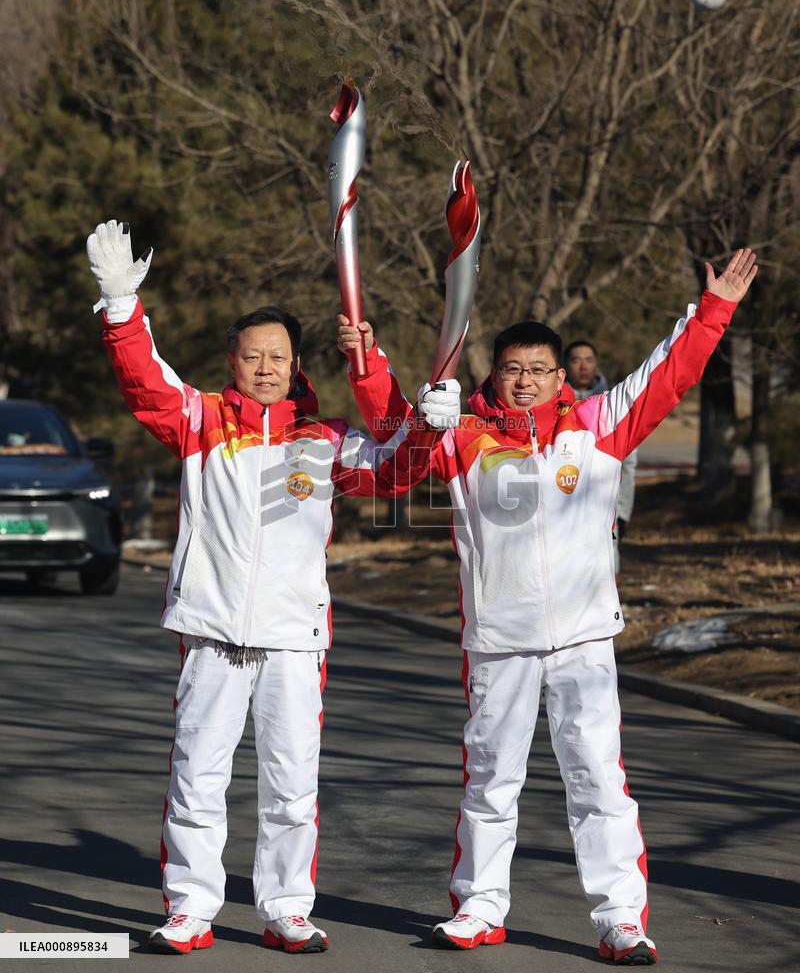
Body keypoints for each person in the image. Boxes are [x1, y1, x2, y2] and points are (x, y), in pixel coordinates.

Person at [342, 249, 758, 965]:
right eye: (513, 369)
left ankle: (619, 918)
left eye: (539, 370)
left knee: (597, 779)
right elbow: (394, 449)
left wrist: (712, 309)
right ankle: (479, 907)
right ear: (493, 376)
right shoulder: (463, 437)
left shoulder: (597, 426)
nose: (526, 381)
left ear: (561, 377)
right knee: (491, 779)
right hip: (499, 640)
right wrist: (373, 367)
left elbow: (670, 375)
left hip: (583, 642)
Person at [86, 220, 461, 956]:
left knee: (291, 785)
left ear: (296, 367)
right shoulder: (200, 421)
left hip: (294, 637)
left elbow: (396, 474)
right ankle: (191, 908)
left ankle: (286, 907)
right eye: (252, 355)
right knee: (198, 776)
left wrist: (426, 428)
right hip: (215, 631)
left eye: (277, 357)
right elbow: (144, 383)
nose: (265, 366)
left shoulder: (324, 439)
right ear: (232, 361)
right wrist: (124, 309)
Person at [565, 340, 638, 573]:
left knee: (606, 569)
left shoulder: (614, 403)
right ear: (565, 367)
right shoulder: (552, 405)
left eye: (589, 360)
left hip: (604, 508)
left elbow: (628, 465)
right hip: (562, 507)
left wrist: (623, 512)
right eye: (576, 360)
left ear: (597, 364)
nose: (583, 366)